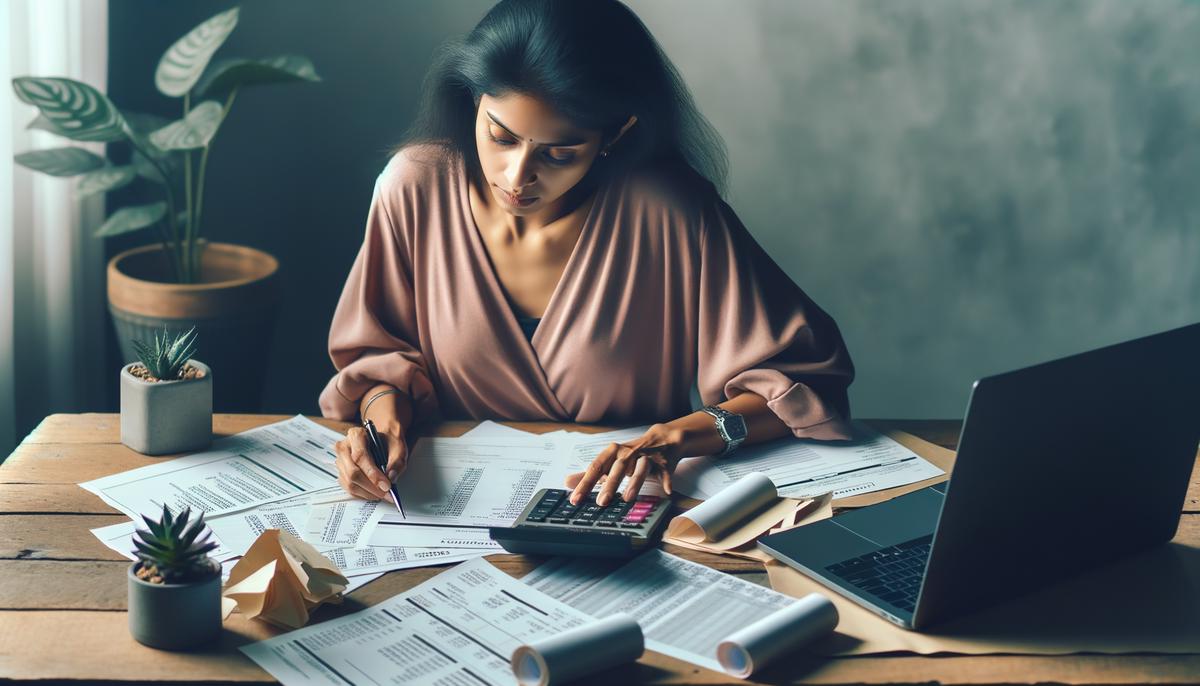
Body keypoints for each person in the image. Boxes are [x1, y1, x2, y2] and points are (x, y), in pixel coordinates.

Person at [320, 0, 855, 509]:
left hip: (620, 509)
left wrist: (678, 437)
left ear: (616, 133)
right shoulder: (413, 188)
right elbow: (377, 357)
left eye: (559, 153)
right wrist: (381, 418)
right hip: (446, 510)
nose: (517, 177)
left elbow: (800, 382)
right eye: (500, 136)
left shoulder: (666, 211)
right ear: (472, 103)